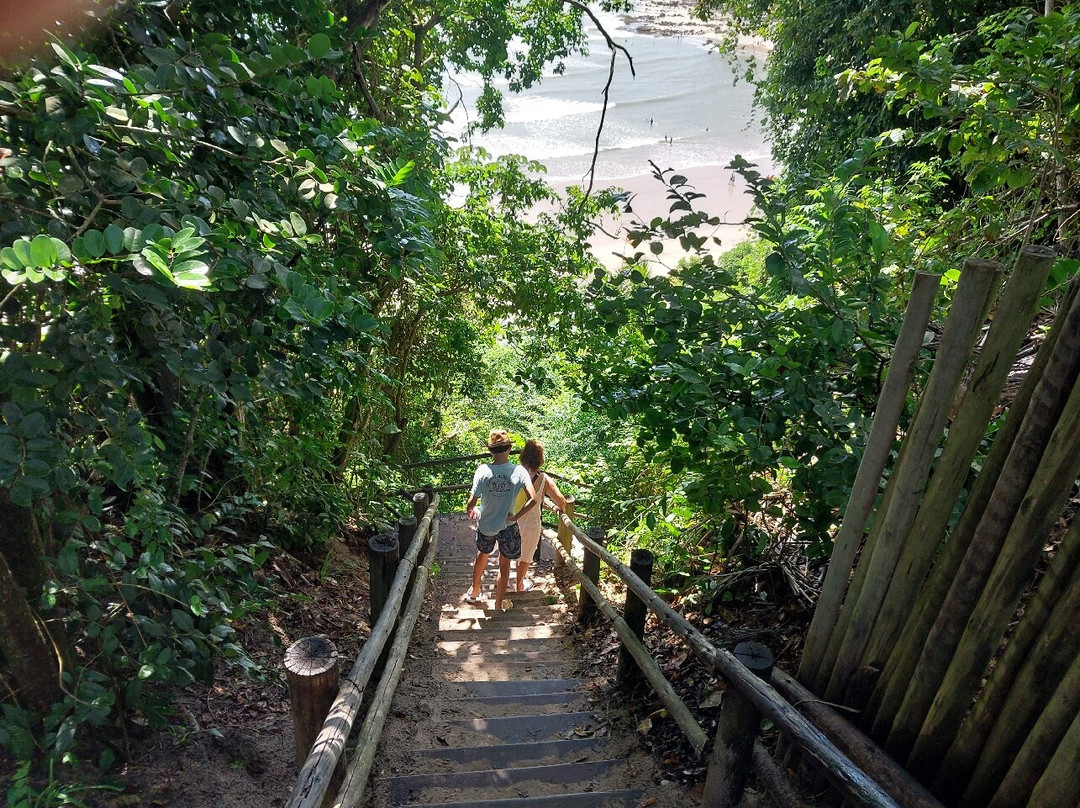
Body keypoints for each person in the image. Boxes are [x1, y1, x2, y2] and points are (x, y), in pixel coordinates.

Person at [463, 429, 537, 612]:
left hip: (486, 524)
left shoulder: (483, 470)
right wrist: (516, 516)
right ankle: (498, 604)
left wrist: (471, 510)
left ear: (490, 450)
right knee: (504, 564)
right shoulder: (519, 471)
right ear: (509, 448)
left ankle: (474, 592)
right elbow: (533, 499)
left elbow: (472, 502)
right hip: (508, 526)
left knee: (482, 554)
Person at [513, 439, 568, 592]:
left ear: (524, 455)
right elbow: (561, 501)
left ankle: (511, 584)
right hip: (531, 524)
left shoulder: (514, 473)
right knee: (526, 555)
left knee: (513, 553)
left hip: (512, 520)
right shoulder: (544, 479)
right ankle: (519, 586)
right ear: (540, 459)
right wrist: (558, 507)